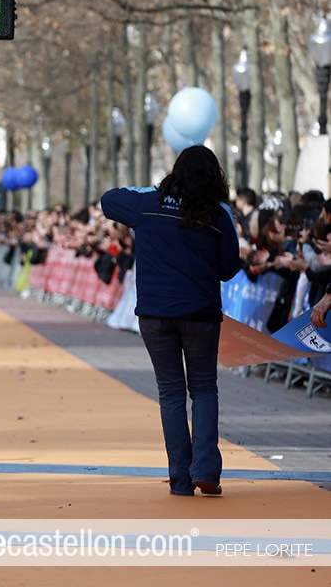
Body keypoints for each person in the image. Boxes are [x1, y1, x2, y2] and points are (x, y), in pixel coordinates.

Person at [100, 145, 240, 497]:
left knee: (171, 392)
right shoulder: (219, 213)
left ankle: (180, 478)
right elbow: (229, 268)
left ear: (175, 172)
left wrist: (157, 192)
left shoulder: (148, 202)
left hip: (155, 312)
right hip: (200, 312)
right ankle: (205, 469)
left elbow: (109, 199)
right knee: (204, 389)